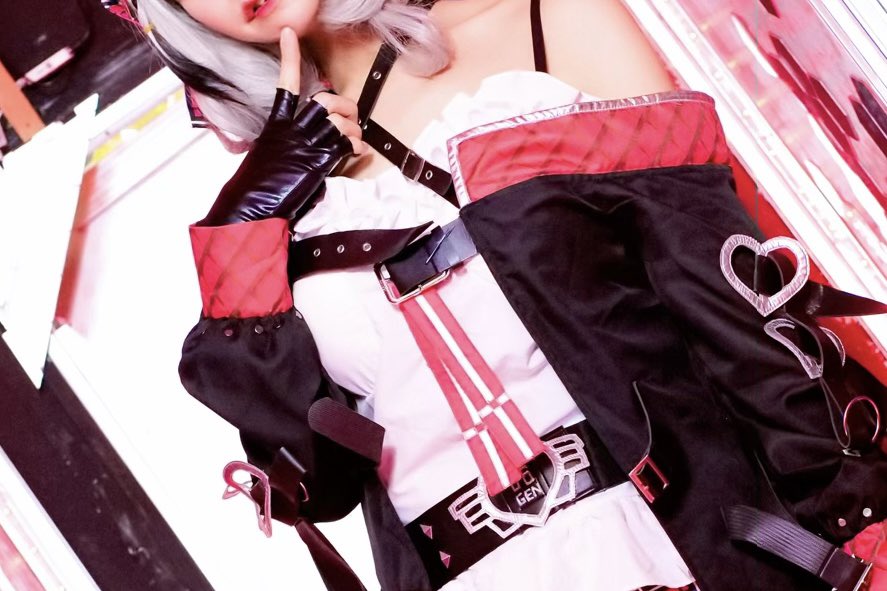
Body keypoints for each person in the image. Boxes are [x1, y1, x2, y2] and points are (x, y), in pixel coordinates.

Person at [104, 1, 886, 590]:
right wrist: (243, 223)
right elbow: (317, 481)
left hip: (671, 547)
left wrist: (861, 526)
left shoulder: (539, 21)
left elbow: (733, 307)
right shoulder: (271, 203)